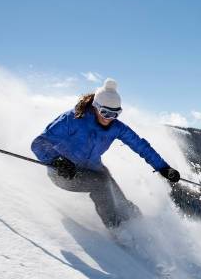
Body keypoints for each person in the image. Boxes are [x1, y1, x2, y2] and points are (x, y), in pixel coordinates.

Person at [31, 78, 180, 228]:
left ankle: (136, 221)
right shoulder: (73, 119)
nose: (109, 118)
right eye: (105, 112)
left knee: (110, 185)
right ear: (96, 106)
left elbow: (140, 146)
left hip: (93, 169)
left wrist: (163, 168)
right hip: (63, 172)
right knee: (101, 184)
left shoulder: (117, 127)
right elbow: (38, 143)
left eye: (115, 114)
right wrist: (57, 161)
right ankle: (117, 229)